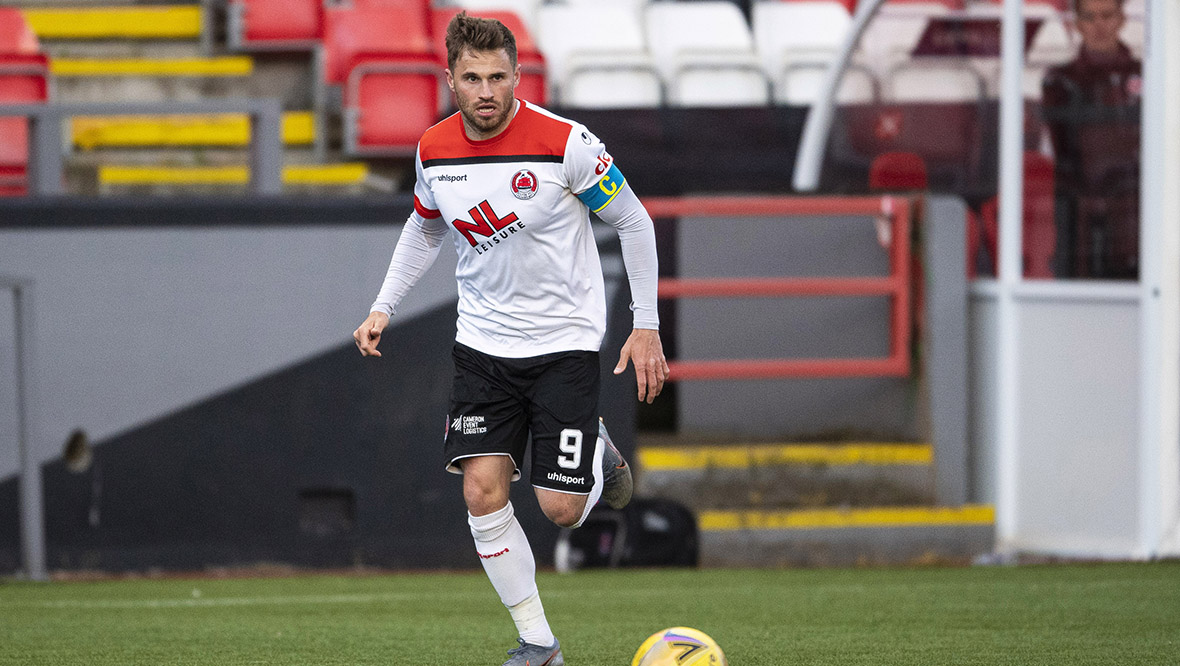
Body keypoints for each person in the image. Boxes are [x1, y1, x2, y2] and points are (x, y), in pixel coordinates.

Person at [352, 12, 668, 666]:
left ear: (518, 76)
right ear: (451, 80)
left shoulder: (566, 143)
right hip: (484, 349)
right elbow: (425, 227)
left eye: (499, 77)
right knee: (481, 491)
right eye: (473, 78)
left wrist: (646, 324)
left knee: (556, 508)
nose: (487, 90)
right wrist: (384, 304)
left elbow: (633, 220)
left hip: (564, 346)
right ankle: (539, 644)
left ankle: (595, 456)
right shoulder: (434, 149)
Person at [1041, 0, 1141, 278]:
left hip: (1136, 210)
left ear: (1122, 19)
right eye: (1090, 17)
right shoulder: (1060, 79)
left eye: (1107, 16)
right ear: (1077, 23)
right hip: (1080, 212)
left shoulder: (1147, 74)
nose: (1099, 26)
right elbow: (1065, 148)